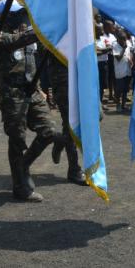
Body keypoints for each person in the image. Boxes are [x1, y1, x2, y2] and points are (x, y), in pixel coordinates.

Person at [0, 0, 64, 202]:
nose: (20, 17)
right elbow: (15, 41)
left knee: (48, 130)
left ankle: (23, 165)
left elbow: (33, 61)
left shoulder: (27, 33)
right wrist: (44, 27)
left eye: (21, 13)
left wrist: (41, 89)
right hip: (12, 95)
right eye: (15, 14)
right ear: (2, 16)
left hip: (32, 91)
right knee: (17, 139)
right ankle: (20, 185)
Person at [48, 50, 87, 186]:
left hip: (81, 77)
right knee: (70, 123)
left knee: (94, 117)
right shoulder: (54, 30)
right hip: (63, 82)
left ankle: (60, 140)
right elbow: (44, 48)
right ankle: (74, 169)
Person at [112, 28, 133, 112]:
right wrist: (124, 48)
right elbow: (118, 58)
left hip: (127, 70)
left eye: (125, 39)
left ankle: (124, 105)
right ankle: (118, 105)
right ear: (118, 39)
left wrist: (131, 60)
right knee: (119, 89)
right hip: (120, 71)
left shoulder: (127, 44)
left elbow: (129, 54)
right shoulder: (115, 46)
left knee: (125, 89)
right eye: (122, 39)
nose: (124, 41)